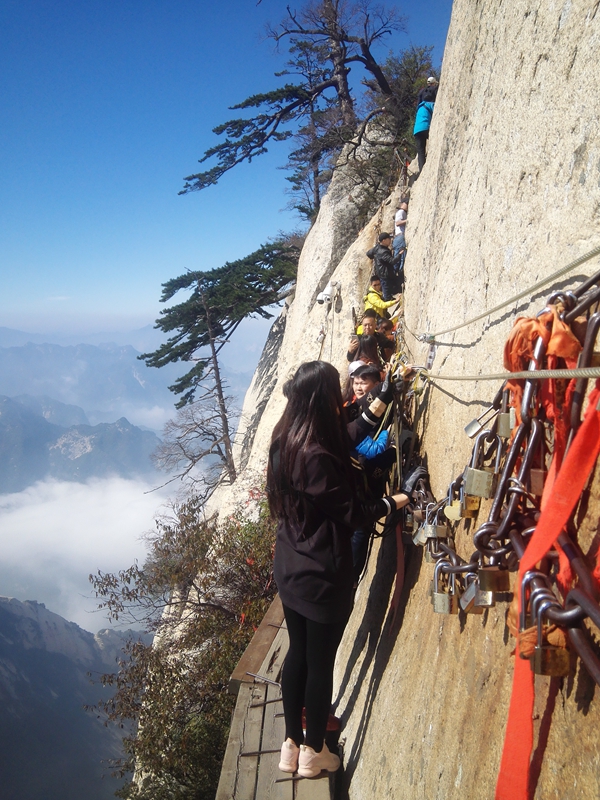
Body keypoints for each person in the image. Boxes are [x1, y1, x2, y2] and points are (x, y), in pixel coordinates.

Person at [268, 361, 422, 777]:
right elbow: (356, 512)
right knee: (319, 664)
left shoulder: (287, 438)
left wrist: (385, 395)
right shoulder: (316, 454)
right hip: (321, 575)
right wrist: (399, 499)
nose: (343, 397)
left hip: (291, 568)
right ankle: (314, 752)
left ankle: (290, 745)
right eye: (336, 391)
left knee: (299, 654)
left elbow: (346, 439)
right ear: (322, 400)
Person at [366, 232, 403, 300]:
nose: (390, 240)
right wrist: (400, 254)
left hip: (383, 272)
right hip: (385, 275)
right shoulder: (383, 252)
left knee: (394, 285)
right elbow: (392, 261)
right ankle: (386, 307)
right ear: (384, 240)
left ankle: (391, 298)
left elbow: (368, 253)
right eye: (389, 239)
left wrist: (375, 257)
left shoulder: (377, 247)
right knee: (386, 293)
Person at [413, 86, 436, 173]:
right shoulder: (430, 104)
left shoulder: (419, 107)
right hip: (425, 127)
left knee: (420, 151)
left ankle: (422, 170)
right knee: (433, 141)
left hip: (416, 131)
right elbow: (437, 111)